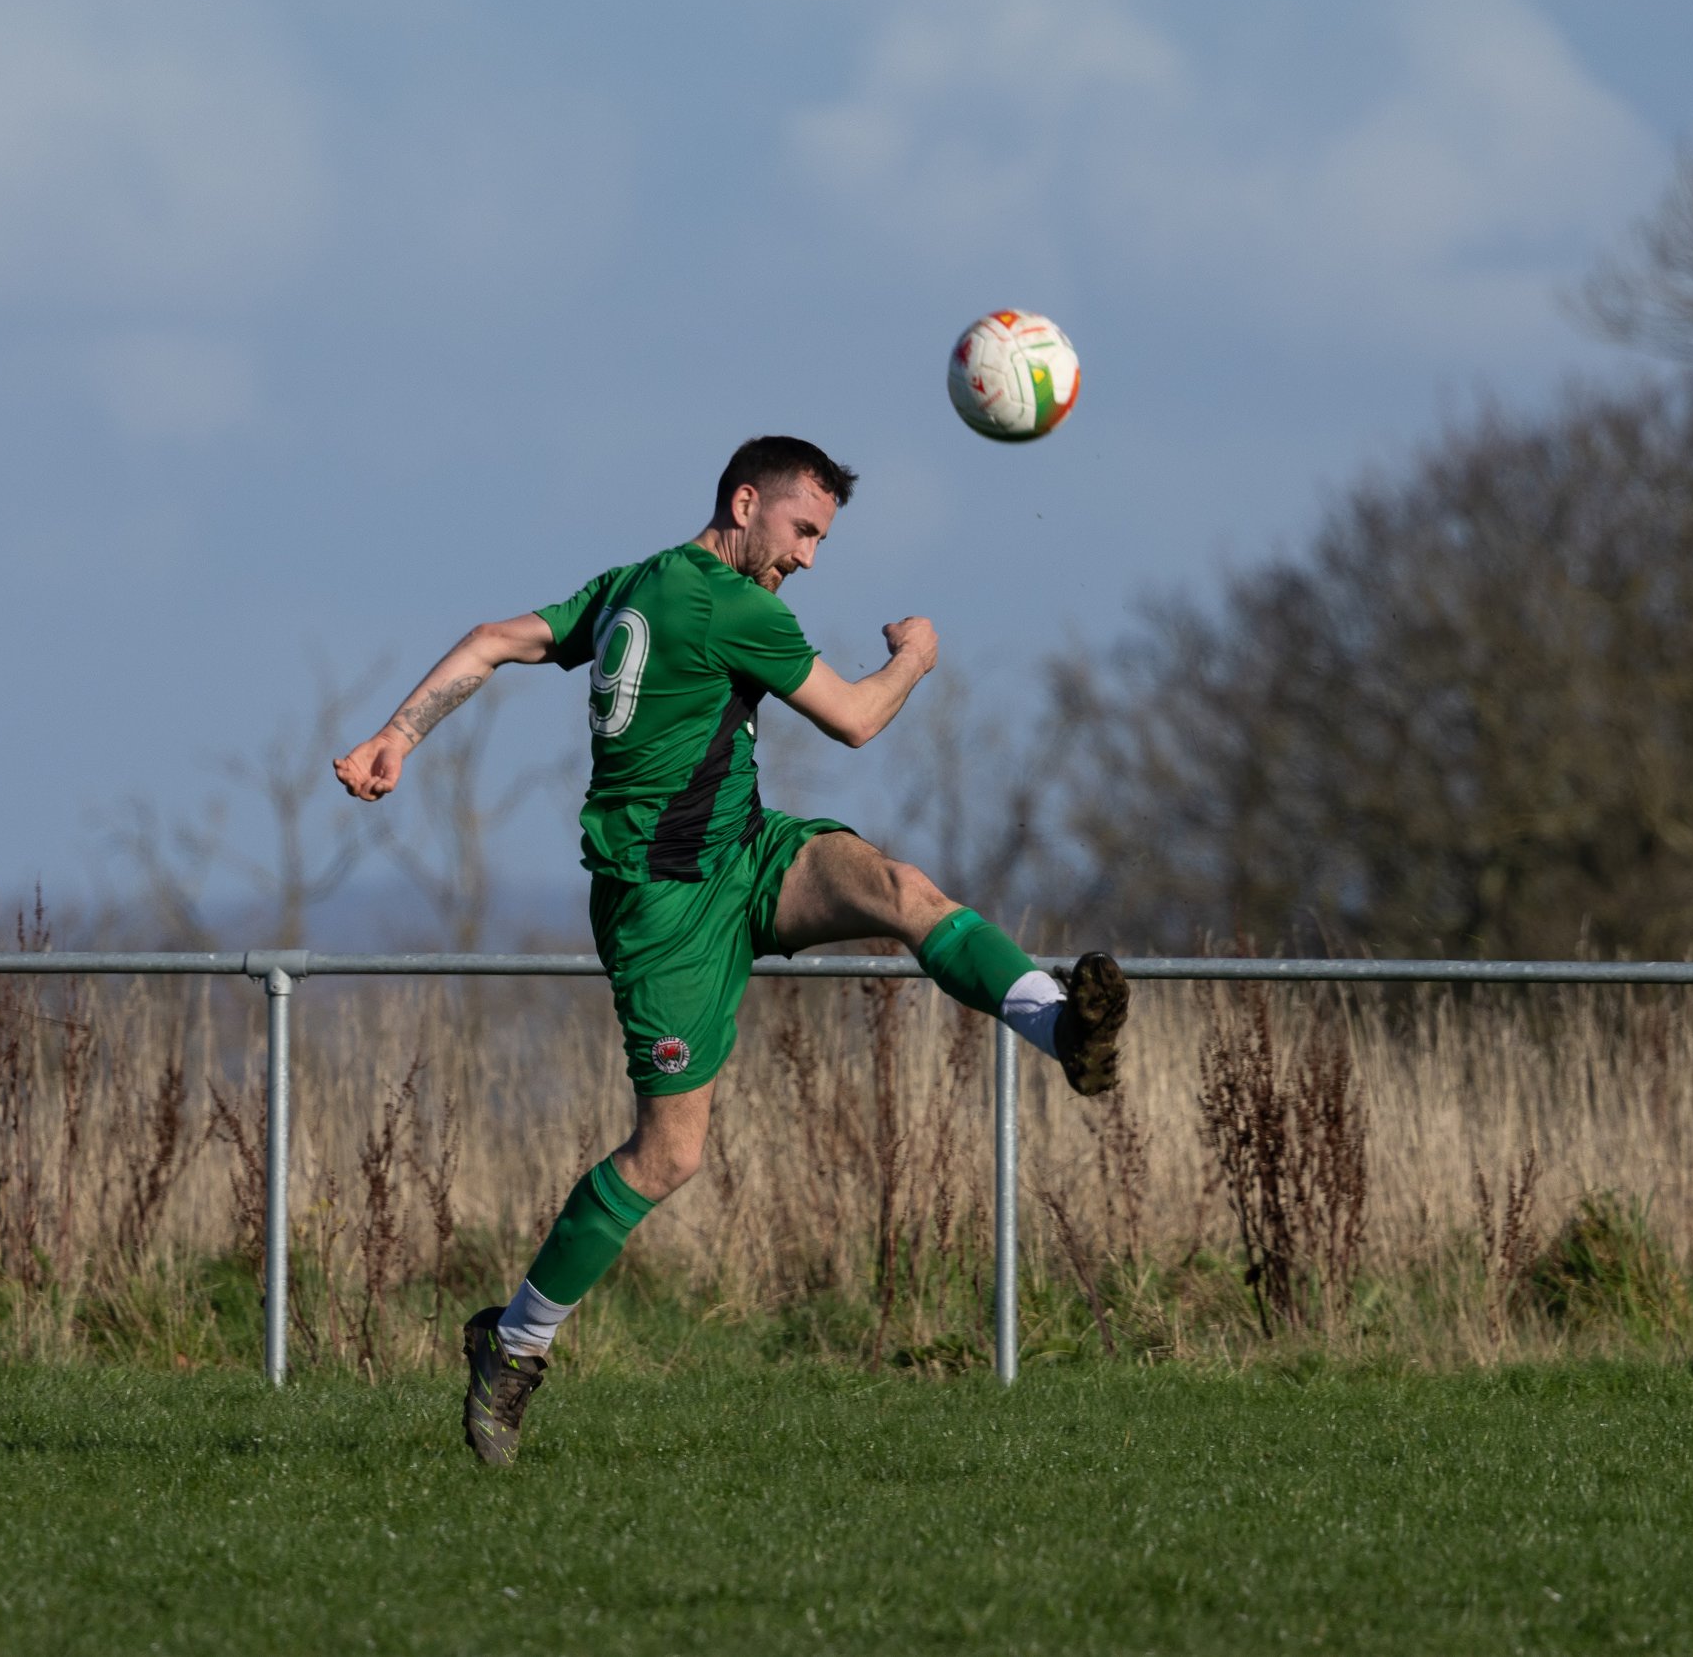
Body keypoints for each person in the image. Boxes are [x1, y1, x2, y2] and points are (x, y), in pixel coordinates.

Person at [334, 436, 1127, 1464]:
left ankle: (1059, 1021)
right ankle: (514, 1341)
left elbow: (492, 639)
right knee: (670, 1155)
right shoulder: (724, 600)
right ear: (745, 502)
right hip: (662, 910)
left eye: (819, 539)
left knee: (901, 891)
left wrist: (397, 733)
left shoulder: (631, 585)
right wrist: (916, 656)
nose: (805, 557)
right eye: (801, 530)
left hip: (744, 854)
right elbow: (853, 718)